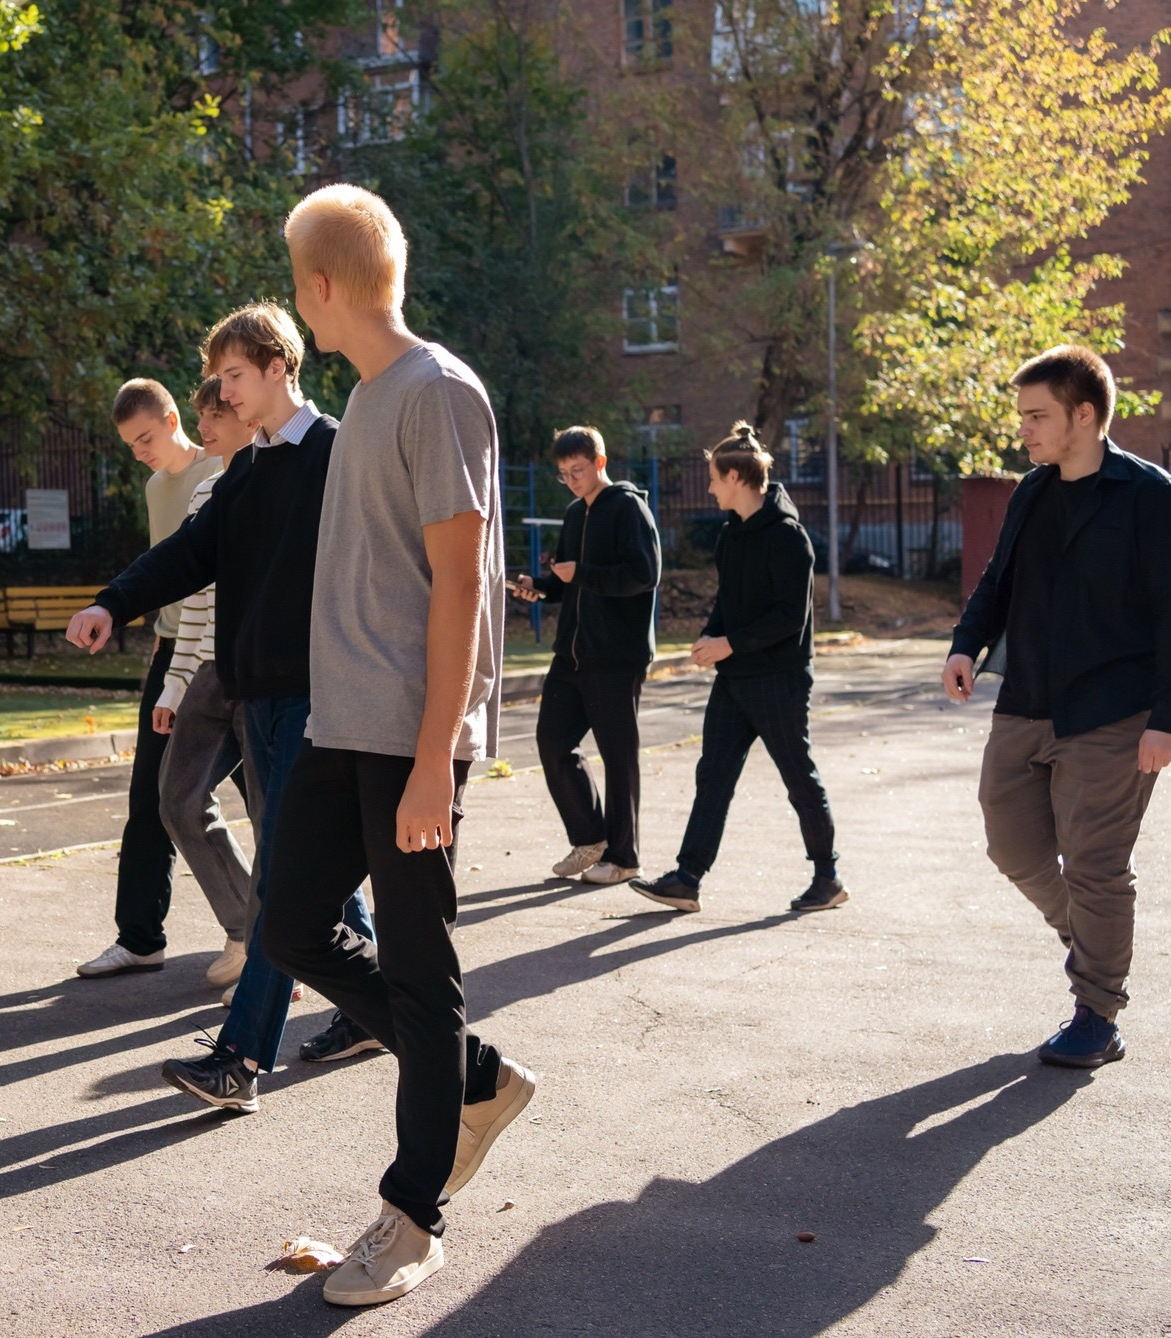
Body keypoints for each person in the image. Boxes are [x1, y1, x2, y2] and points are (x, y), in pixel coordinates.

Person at [249, 184, 534, 1309]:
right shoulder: (369, 397)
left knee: (420, 976)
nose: (293, 298)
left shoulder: (435, 391)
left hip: (409, 736)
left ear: (318, 287)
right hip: (341, 723)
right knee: (287, 924)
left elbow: (462, 583)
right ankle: (466, 1080)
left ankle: (413, 1218)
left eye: (291, 278)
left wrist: (434, 759)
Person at [65, 300, 382, 1100]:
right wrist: (113, 602)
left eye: (235, 375)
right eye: (219, 379)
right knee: (301, 876)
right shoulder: (249, 469)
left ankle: (242, 1058)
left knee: (283, 878)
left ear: (280, 367)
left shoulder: (341, 454)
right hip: (257, 698)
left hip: (319, 701)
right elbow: (189, 554)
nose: (224, 391)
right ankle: (376, 1005)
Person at [944, 346, 1171, 1069]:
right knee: (1011, 844)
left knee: (1096, 865)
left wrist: (1168, 717)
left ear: (1083, 415)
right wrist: (967, 644)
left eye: (1037, 416)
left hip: (1113, 712)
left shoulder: (1148, 496)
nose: (1023, 429)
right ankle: (1088, 935)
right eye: (1022, 415)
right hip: (1025, 699)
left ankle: (1097, 1012)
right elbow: (997, 581)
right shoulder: (1032, 491)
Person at [630, 423, 843, 915]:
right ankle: (687, 878)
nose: (708, 488)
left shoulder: (790, 538)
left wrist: (730, 643)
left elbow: (790, 618)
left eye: (712, 479)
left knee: (797, 775)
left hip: (779, 678)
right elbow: (729, 601)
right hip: (735, 678)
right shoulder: (731, 535)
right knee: (714, 774)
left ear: (734, 477)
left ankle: (827, 876)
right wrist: (711, 638)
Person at [74, 380, 223, 980]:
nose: (139, 450)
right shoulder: (154, 486)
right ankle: (139, 938)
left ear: (170, 419)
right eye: (129, 444)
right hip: (171, 653)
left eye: (145, 438)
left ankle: (277, 936)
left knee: (267, 802)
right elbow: (165, 569)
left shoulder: (222, 466)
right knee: (150, 798)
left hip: (221, 655)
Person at [513, 426, 660, 889]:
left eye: (577, 470)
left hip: (616, 657)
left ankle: (624, 858)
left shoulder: (629, 507)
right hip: (571, 654)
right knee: (552, 741)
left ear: (600, 462)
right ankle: (590, 838)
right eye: (563, 474)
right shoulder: (576, 513)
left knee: (619, 758)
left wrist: (585, 573)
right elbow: (569, 578)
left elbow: (644, 574)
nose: (572, 480)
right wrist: (542, 586)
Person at [152, 376, 254, 993]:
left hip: (270, 676)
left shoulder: (291, 479)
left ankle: (319, 951)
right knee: (179, 800)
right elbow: (193, 604)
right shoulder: (207, 494)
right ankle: (247, 928)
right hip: (212, 676)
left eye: (217, 414)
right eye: (203, 416)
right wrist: (174, 685)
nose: (206, 426)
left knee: (285, 824)